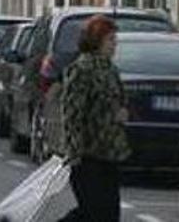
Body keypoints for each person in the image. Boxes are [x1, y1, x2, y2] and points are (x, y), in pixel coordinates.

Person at [59, 15, 129, 222]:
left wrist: (121, 113)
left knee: (107, 214)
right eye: (110, 41)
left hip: (109, 152)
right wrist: (74, 150)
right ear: (96, 40)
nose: (114, 46)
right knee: (92, 212)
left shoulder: (110, 69)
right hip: (88, 154)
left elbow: (116, 101)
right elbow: (72, 112)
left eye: (115, 41)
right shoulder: (82, 69)